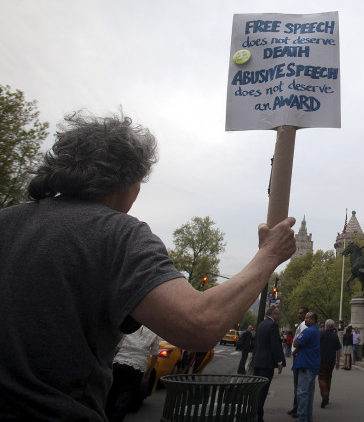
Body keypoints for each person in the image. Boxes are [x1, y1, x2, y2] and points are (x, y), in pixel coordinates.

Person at [0, 110, 298, 420]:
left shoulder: (6, 221)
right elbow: (198, 324)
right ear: (129, 179)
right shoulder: (118, 234)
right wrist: (268, 256)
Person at [104, 325, 159, 422]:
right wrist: (147, 374)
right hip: (136, 368)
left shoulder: (130, 326)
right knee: (124, 399)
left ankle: (105, 417)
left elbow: (118, 345)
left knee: (111, 394)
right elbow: (155, 355)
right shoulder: (153, 332)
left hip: (119, 363)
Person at [253, 306, 285, 422]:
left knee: (257, 389)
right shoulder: (273, 325)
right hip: (267, 362)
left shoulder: (261, 324)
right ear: (273, 314)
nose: (279, 316)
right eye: (277, 314)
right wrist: (279, 361)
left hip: (258, 361)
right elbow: (275, 345)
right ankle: (258, 416)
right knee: (263, 391)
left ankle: (254, 412)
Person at [292, 311, 320, 422]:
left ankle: (302, 417)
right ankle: (308, 417)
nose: (305, 320)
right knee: (309, 393)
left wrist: (297, 341)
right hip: (312, 364)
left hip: (305, 364)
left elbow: (296, 343)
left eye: (308, 318)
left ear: (313, 320)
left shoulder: (309, 331)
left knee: (302, 393)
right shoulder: (315, 331)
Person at [288, 307, 308, 418]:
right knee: (297, 384)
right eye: (298, 313)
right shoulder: (301, 325)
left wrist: (295, 351)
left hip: (299, 357)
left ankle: (298, 408)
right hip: (297, 356)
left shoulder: (305, 326)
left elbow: (301, 341)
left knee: (299, 384)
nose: (298, 315)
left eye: (301, 313)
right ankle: (296, 407)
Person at [318, 319, 342, 408]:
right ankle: (327, 397)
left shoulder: (320, 334)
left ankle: (324, 393)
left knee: (322, 378)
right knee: (329, 378)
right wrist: (338, 361)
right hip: (331, 360)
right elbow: (338, 350)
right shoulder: (335, 336)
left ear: (326, 326)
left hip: (322, 360)